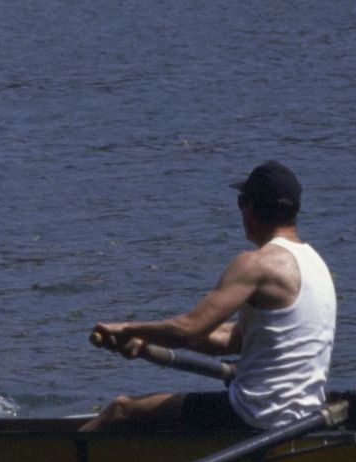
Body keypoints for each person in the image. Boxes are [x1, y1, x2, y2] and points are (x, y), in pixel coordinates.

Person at [88, 160, 336, 433]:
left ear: (248, 208)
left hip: (254, 416)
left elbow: (188, 330)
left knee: (120, 411)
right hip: (304, 417)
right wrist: (147, 337)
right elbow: (234, 339)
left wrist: (127, 328)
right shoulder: (316, 264)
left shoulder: (256, 263)